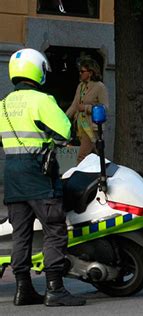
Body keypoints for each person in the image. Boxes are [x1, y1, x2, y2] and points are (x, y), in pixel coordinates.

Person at [0, 48, 85, 306]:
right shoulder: (42, 100)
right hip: (38, 172)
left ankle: (22, 290)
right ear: (38, 71)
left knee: (21, 234)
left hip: (12, 174)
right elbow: (65, 130)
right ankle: (55, 289)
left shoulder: (3, 105)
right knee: (54, 230)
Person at [66, 58, 109, 164]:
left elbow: (105, 108)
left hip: (92, 128)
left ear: (90, 72)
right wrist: (64, 117)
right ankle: (101, 176)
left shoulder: (99, 87)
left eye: (82, 71)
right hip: (81, 127)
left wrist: (86, 108)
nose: (80, 74)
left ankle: (79, 178)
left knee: (82, 156)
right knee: (94, 156)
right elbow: (74, 105)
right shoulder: (80, 86)